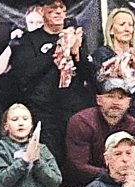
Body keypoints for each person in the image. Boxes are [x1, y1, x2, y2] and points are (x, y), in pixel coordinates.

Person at [10, 0, 93, 169]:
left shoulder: (75, 37)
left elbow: (88, 75)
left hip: (72, 105)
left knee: (75, 155)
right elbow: (23, 73)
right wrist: (56, 51)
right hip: (43, 107)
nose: (58, 12)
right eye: (52, 8)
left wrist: (77, 53)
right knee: (50, 152)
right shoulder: (30, 39)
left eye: (61, 8)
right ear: (42, 10)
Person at [92, 7, 135, 167]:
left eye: (130, 25)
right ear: (111, 30)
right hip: (112, 120)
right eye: (122, 24)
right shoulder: (102, 55)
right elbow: (102, 86)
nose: (127, 28)